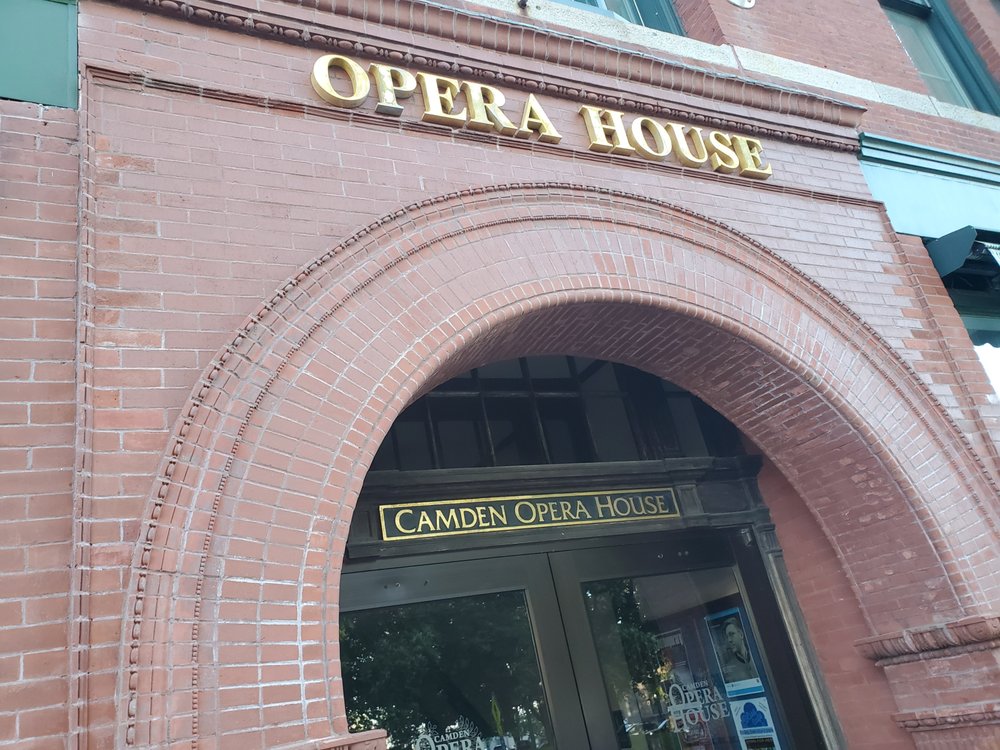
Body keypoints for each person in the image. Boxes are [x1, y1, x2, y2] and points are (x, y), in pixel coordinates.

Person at [718, 617, 758, 683]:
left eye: (731, 634)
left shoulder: (758, 656)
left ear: (741, 634)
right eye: (727, 637)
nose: (729, 640)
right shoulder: (729, 668)